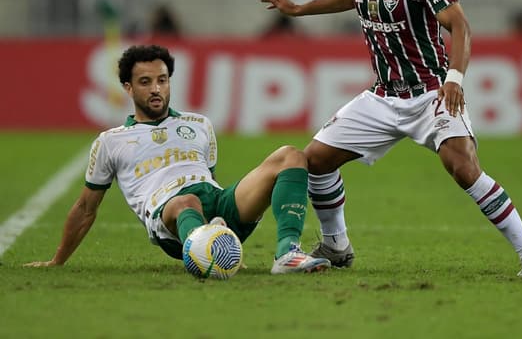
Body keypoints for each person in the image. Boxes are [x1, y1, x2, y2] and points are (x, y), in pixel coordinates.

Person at [258, 0, 522, 277]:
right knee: (314, 161)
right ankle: (336, 244)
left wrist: (455, 78)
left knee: (462, 167)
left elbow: (460, 25)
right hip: (381, 98)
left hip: (431, 94)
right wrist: (300, 8)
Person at [25, 44, 330, 275]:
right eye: (145, 82)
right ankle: (206, 247)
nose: (156, 89)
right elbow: (85, 207)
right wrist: (57, 260)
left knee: (290, 155)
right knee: (185, 202)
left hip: (215, 202)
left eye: (162, 80)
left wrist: (221, 209)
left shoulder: (199, 124)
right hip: (169, 216)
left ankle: (286, 253)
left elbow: (208, 176)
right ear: (128, 88)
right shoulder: (110, 141)